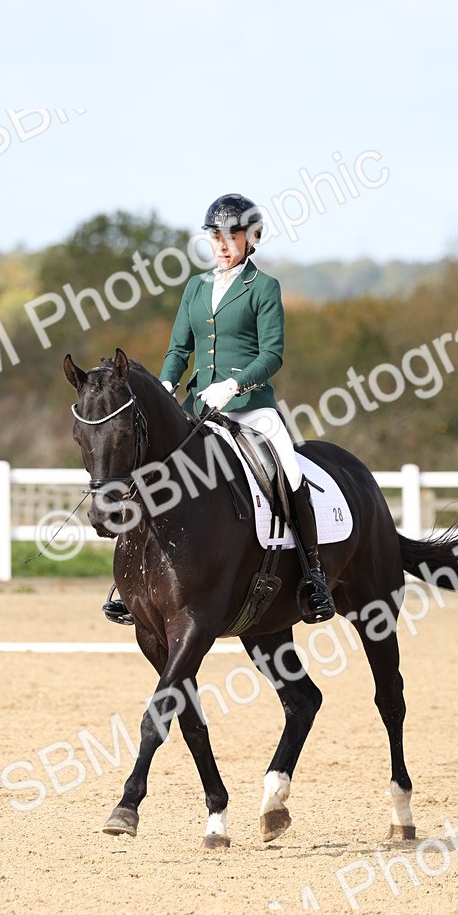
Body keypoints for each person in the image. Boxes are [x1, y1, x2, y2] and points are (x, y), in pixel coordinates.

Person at [157, 193, 335, 623]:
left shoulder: (264, 288)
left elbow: (272, 354)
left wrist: (234, 384)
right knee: (155, 472)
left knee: (289, 473)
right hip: (199, 408)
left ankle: (314, 577)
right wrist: (166, 382)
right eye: (215, 235)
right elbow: (180, 348)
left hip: (251, 407)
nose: (221, 243)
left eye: (231, 235)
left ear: (251, 238)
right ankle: (136, 579)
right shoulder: (195, 288)